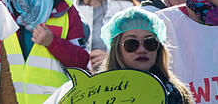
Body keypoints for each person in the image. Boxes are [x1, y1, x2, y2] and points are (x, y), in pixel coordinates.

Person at [45, 8, 194, 104]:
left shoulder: (176, 93)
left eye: (150, 42)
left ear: (159, 49)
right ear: (117, 49)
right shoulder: (92, 92)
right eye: (131, 44)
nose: (142, 49)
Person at [65, 0, 136, 68]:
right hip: (78, 74)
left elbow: (135, 47)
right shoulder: (68, 9)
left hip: (114, 74)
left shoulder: (124, 9)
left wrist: (110, 58)